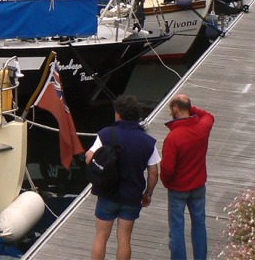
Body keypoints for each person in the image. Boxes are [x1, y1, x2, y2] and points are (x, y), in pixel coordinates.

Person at [87, 95, 160, 260]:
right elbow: (154, 173)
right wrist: (148, 194)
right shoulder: (148, 141)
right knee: (124, 239)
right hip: (132, 196)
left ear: (118, 114)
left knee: (101, 237)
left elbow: (89, 157)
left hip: (107, 193)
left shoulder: (106, 134)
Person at [161, 94, 215, 260]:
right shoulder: (203, 127)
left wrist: (167, 182)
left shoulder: (173, 137)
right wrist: (189, 107)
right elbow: (209, 115)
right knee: (199, 225)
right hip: (198, 187)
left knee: (177, 229)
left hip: (178, 189)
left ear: (175, 109)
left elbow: (167, 169)